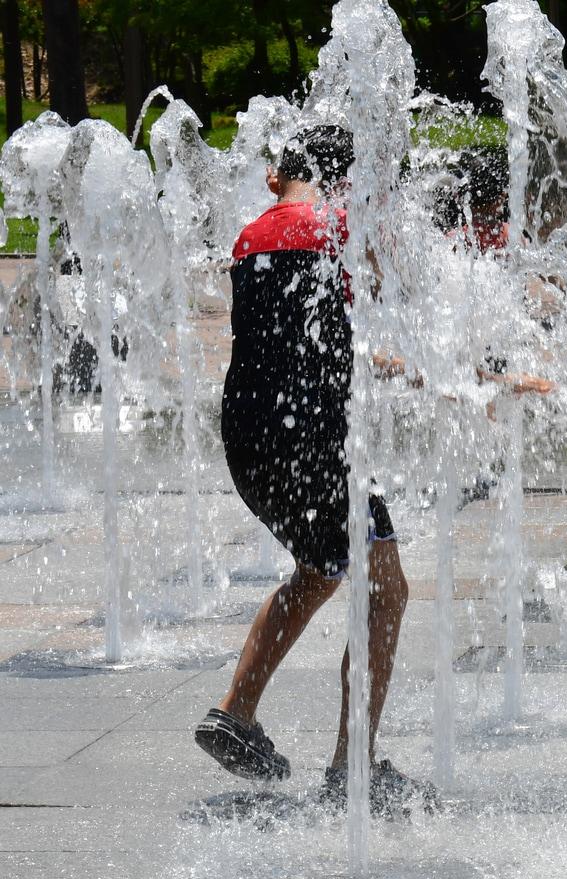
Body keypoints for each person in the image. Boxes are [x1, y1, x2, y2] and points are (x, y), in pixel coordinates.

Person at [193, 125, 429, 813]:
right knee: (386, 589)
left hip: (247, 438)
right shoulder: (341, 227)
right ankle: (353, 767)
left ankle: (235, 712)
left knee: (322, 567)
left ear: (275, 176)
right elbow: (394, 309)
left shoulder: (250, 235)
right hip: (315, 441)